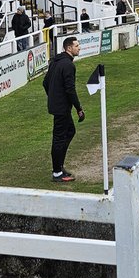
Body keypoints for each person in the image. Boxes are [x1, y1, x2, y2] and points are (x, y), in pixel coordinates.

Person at [43, 36, 84, 183]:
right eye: (77, 46)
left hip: (58, 106)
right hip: (61, 108)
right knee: (59, 138)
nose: (79, 48)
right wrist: (79, 108)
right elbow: (70, 90)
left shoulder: (56, 62)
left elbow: (45, 82)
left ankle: (59, 165)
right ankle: (57, 172)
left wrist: (53, 97)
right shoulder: (67, 65)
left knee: (70, 131)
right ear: (69, 48)